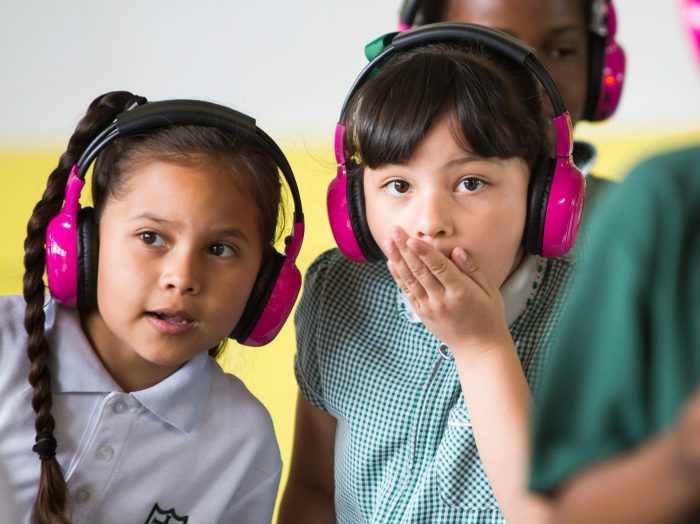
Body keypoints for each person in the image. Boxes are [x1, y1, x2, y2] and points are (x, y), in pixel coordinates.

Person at [279, 23, 585, 523]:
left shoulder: (594, 317)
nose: (430, 223)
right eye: (398, 185)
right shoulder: (337, 291)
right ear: (355, 203)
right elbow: (314, 487)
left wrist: (481, 345)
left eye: (470, 182)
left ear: (540, 197)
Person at [0, 91, 304, 523]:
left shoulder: (243, 443)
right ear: (84, 241)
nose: (182, 277)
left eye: (219, 249)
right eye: (151, 237)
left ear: (265, 285)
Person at [529, 1, 700, 522]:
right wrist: (686, 459)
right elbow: (568, 505)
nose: (522, 75)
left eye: (558, 51)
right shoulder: (665, 206)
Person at [399, 0, 626, 236]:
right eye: (495, 50)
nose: (536, 81)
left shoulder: (643, 225)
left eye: (562, 51)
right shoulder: (374, 239)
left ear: (598, 67)